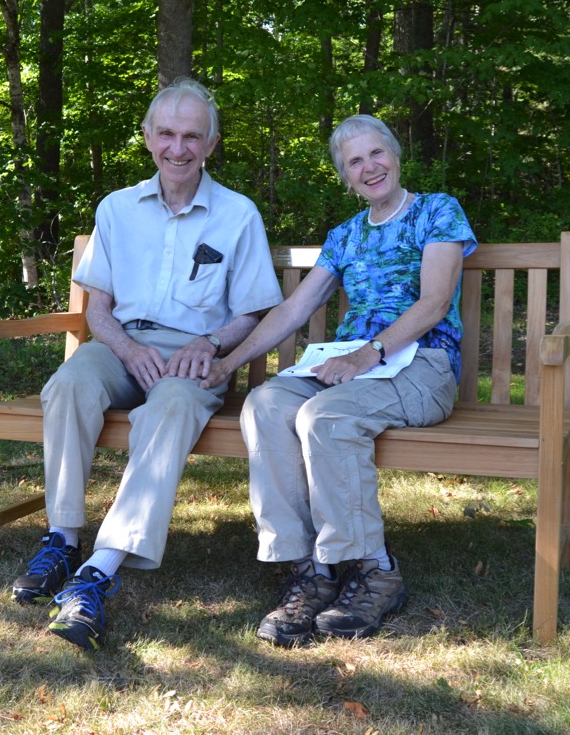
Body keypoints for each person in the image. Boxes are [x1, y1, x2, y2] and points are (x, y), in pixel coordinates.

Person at [13, 77, 282, 652]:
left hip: (194, 356)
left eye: (192, 136)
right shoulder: (117, 209)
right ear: (147, 137)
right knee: (69, 385)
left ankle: (98, 573)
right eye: (166, 133)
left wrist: (209, 341)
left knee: (169, 408)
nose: (178, 148)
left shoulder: (237, 214)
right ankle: (62, 538)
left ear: (211, 144)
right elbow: (98, 308)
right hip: (121, 345)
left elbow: (255, 309)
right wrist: (129, 350)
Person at [201, 114, 476, 646]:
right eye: (355, 162)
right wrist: (229, 363)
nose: (369, 167)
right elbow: (293, 310)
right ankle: (310, 571)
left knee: (325, 415)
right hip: (353, 367)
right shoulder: (345, 236)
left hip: (422, 365)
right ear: (346, 178)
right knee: (266, 404)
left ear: (395, 156)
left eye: (376, 154)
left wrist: (368, 353)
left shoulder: (437, 211)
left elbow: (435, 301)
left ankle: (374, 570)